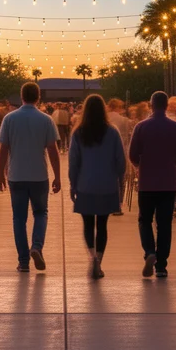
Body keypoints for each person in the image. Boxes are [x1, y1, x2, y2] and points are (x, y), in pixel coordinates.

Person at [0, 82, 62, 272]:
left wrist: (0, 173)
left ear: (21, 96)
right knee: (41, 213)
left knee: (19, 218)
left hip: (16, 175)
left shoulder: (9, 119)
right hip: (39, 175)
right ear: (38, 97)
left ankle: (23, 261)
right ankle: (37, 246)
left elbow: (3, 149)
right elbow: (52, 149)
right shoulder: (46, 120)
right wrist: (57, 176)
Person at [129, 90, 176, 279]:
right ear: (166, 106)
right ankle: (162, 266)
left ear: (151, 104)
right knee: (164, 224)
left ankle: (150, 252)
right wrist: (171, 163)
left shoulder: (141, 127)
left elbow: (132, 155)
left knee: (144, 220)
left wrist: (142, 165)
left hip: (147, 182)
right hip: (168, 183)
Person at [69, 94, 126, 280]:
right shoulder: (112, 131)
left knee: (87, 224)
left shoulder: (78, 133)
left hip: (85, 184)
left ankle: (92, 256)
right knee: (102, 225)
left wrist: (73, 183)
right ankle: (99, 261)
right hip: (107, 185)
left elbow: (74, 162)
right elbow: (120, 160)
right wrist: (120, 180)